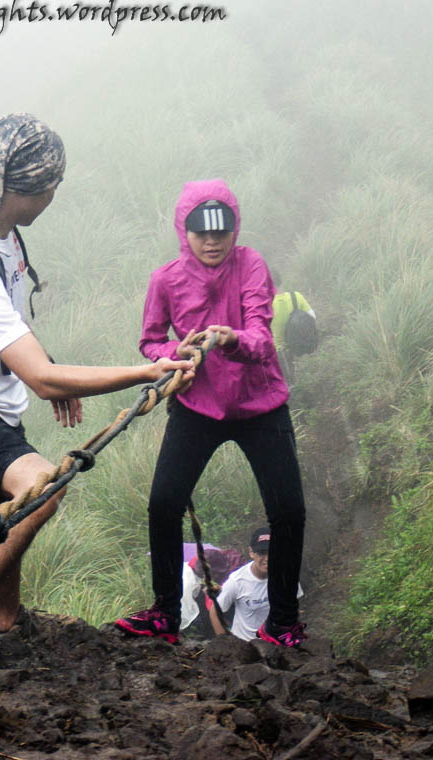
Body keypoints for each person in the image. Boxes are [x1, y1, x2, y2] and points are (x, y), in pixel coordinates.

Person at [0, 113, 193, 667]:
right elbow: (39, 377)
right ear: (31, 190)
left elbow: (14, 332)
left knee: (7, 505)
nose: (53, 197)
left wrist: (44, 366)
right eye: (51, 187)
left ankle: (7, 620)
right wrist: (142, 371)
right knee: (42, 486)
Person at [114, 179, 308, 648]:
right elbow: (150, 340)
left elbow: (262, 338)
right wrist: (172, 351)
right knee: (163, 503)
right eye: (201, 233)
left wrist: (231, 338)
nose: (213, 241)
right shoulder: (166, 279)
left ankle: (282, 621)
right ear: (185, 232)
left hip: (260, 403)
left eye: (222, 232)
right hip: (197, 405)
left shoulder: (251, 265)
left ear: (234, 230)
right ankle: (164, 613)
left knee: (290, 511)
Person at [207, 527, 304, 641]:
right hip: (246, 646)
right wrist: (226, 643)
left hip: (277, 644)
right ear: (251, 552)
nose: (267, 559)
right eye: (261, 553)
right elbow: (215, 612)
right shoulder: (237, 581)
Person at [270, 271, 317, 382]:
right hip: (295, 346)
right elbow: (312, 317)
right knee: (291, 378)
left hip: (277, 352)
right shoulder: (296, 296)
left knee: (285, 385)